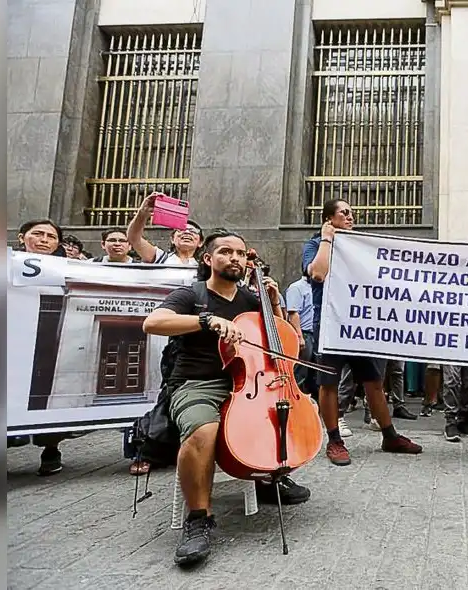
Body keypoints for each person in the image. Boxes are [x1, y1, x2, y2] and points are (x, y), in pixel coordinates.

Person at [141, 229, 311, 566]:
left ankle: (266, 476)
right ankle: (198, 519)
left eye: (240, 253)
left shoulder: (250, 299)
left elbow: (278, 342)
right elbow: (152, 322)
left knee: (279, 417)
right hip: (198, 382)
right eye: (226, 252)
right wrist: (207, 321)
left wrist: (273, 302)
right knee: (203, 431)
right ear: (208, 259)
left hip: (250, 381)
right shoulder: (192, 295)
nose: (235, 258)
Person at [303, 199, 422, 465]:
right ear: (328, 218)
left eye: (352, 213)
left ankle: (389, 435)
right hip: (331, 326)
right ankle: (334, 440)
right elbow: (318, 274)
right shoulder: (314, 244)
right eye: (344, 213)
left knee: (374, 381)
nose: (350, 216)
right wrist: (326, 239)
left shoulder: (357, 246)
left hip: (360, 326)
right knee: (329, 383)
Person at [11, 219, 72, 475]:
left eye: (51, 236)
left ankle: (50, 448)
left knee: (48, 391)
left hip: (49, 339)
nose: (44, 240)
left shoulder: (71, 269)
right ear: (22, 237)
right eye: (38, 234)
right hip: (10, 340)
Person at [127, 192, 203, 265]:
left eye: (193, 231)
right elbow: (134, 238)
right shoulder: (160, 258)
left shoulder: (206, 265)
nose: (187, 232)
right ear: (172, 239)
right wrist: (142, 213)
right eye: (181, 230)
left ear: (200, 242)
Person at [284, 275, 317, 397]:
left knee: (315, 375)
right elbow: (293, 313)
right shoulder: (296, 288)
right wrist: (299, 336)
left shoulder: (317, 288)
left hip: (316, 334)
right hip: (303, 333)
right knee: (300, 372)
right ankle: (292, 398)